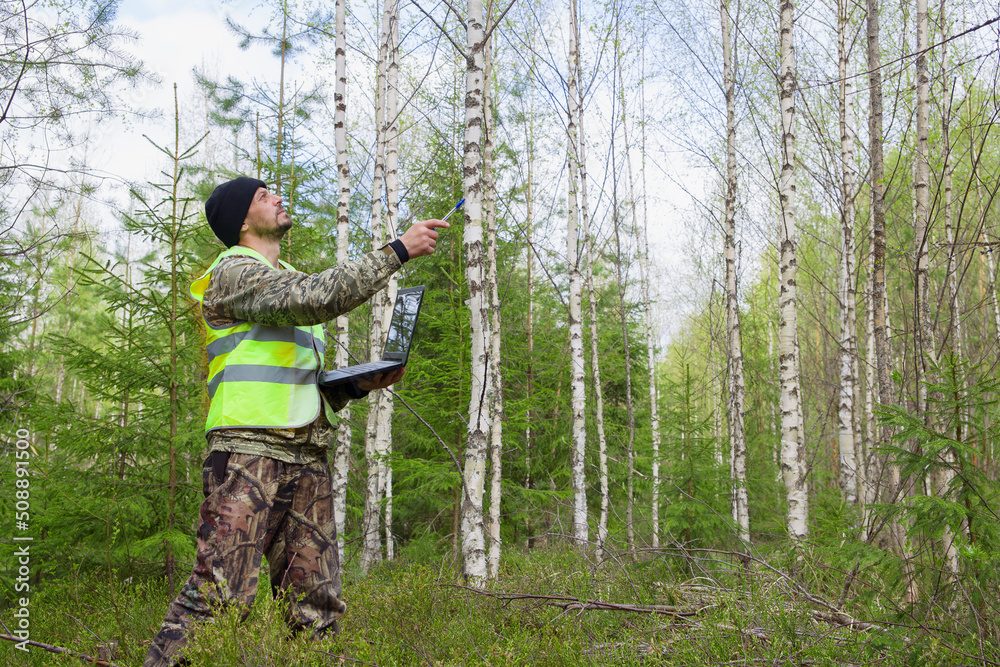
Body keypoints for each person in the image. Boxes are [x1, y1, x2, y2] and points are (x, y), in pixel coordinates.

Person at [143, 176, 447, 667]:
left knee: (317, 608)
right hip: (246, 456)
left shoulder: (289, 278)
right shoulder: (233, 274)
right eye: (263, 196)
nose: (277, 197)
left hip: (307, 460)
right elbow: (314, 296)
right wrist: (398, 251)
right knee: (218, 599)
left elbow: (300, 378)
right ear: (242, 220)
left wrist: (355, 384)